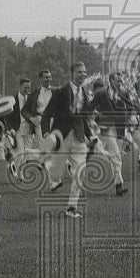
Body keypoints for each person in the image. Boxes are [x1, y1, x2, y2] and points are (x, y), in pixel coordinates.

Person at [40, 62, 93, 219]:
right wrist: (45, 133)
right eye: (79, 72)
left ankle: (72, 207)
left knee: (80, 172)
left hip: (79, 138)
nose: (82, 75)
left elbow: (83, 118)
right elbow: (46, 114)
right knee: (55, 171)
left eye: (84, 72)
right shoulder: (60, 92)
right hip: (61, 137)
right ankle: (46, 164)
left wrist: (90, 135)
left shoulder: (84, 93)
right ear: (72, 74)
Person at [87, 73, 130, 196]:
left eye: (121, 80)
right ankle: (119, 185)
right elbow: (90, 107)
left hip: (120, 127)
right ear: (111, 80)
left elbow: (129, 106)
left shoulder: (124, 92)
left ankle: (91, 150)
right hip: (106, 126)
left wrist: (132, 115)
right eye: (117, 80)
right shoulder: (101, 92)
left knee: (117, 155)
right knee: (115, 153)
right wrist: (95, 115)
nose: (120, 82)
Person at [21, 70, 54, 150]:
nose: (49, 79)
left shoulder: (56, 91)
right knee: (43, 145)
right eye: (46, 77)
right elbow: (24, 110)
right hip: (40, 122)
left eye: (50, 77)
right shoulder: (35, 94)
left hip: (54, 121)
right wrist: (32, 119)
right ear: (41, 79)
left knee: (54, 145)